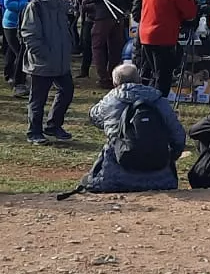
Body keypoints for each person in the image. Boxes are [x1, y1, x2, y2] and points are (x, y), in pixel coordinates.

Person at [75, 62, 187, 194]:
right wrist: (171, 156)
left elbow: (93, 116)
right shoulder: (159, 99)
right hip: (162, 178)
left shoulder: (110, 100)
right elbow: (178, 136)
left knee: (87, 180)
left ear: (115, 83)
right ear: (139, 80)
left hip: (116, 177)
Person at [21, 0, 78, 145]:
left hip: (60, 60)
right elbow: (29, 34)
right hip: (42, 62)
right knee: (38, 99)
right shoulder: (35, 6)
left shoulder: (60, 5)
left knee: (67, 91)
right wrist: (43, 54)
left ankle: (54, 124)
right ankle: (34, 131)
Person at [137, 0, 200, 95]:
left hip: (145, 34)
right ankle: (158, 108)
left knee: (153, 72)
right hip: (163, 35)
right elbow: (189, 13)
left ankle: (148, 101)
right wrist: (193, 3)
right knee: (163, 77)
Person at [81, 0, 136, 88]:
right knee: (115, 48)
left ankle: (103, 78)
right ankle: (114, 75)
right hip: (118, 16)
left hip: (103, 16)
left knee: (97, 46)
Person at [0, 0, 37, 96]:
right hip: (12, 24)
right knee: (21, 53)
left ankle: (11, 75)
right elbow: (7, 2)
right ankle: (18, 84)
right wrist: (27, 5)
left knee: (14, 52)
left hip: (21, 23)